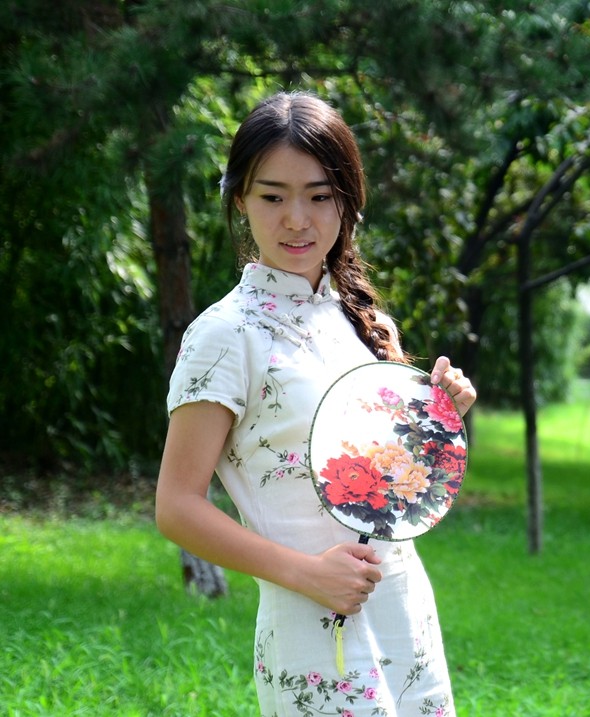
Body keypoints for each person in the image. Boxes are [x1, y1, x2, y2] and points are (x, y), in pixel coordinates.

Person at [155, 91, 476, 717]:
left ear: (347, 200)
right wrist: (306, 574)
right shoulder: (225, 336)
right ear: (240, 200)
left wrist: (438, 416)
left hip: (404, 610)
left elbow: (388, 487)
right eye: (273, 197)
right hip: (310, 628)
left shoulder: (365, 323)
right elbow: (176, 507)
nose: (296, 220)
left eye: (319, 196)